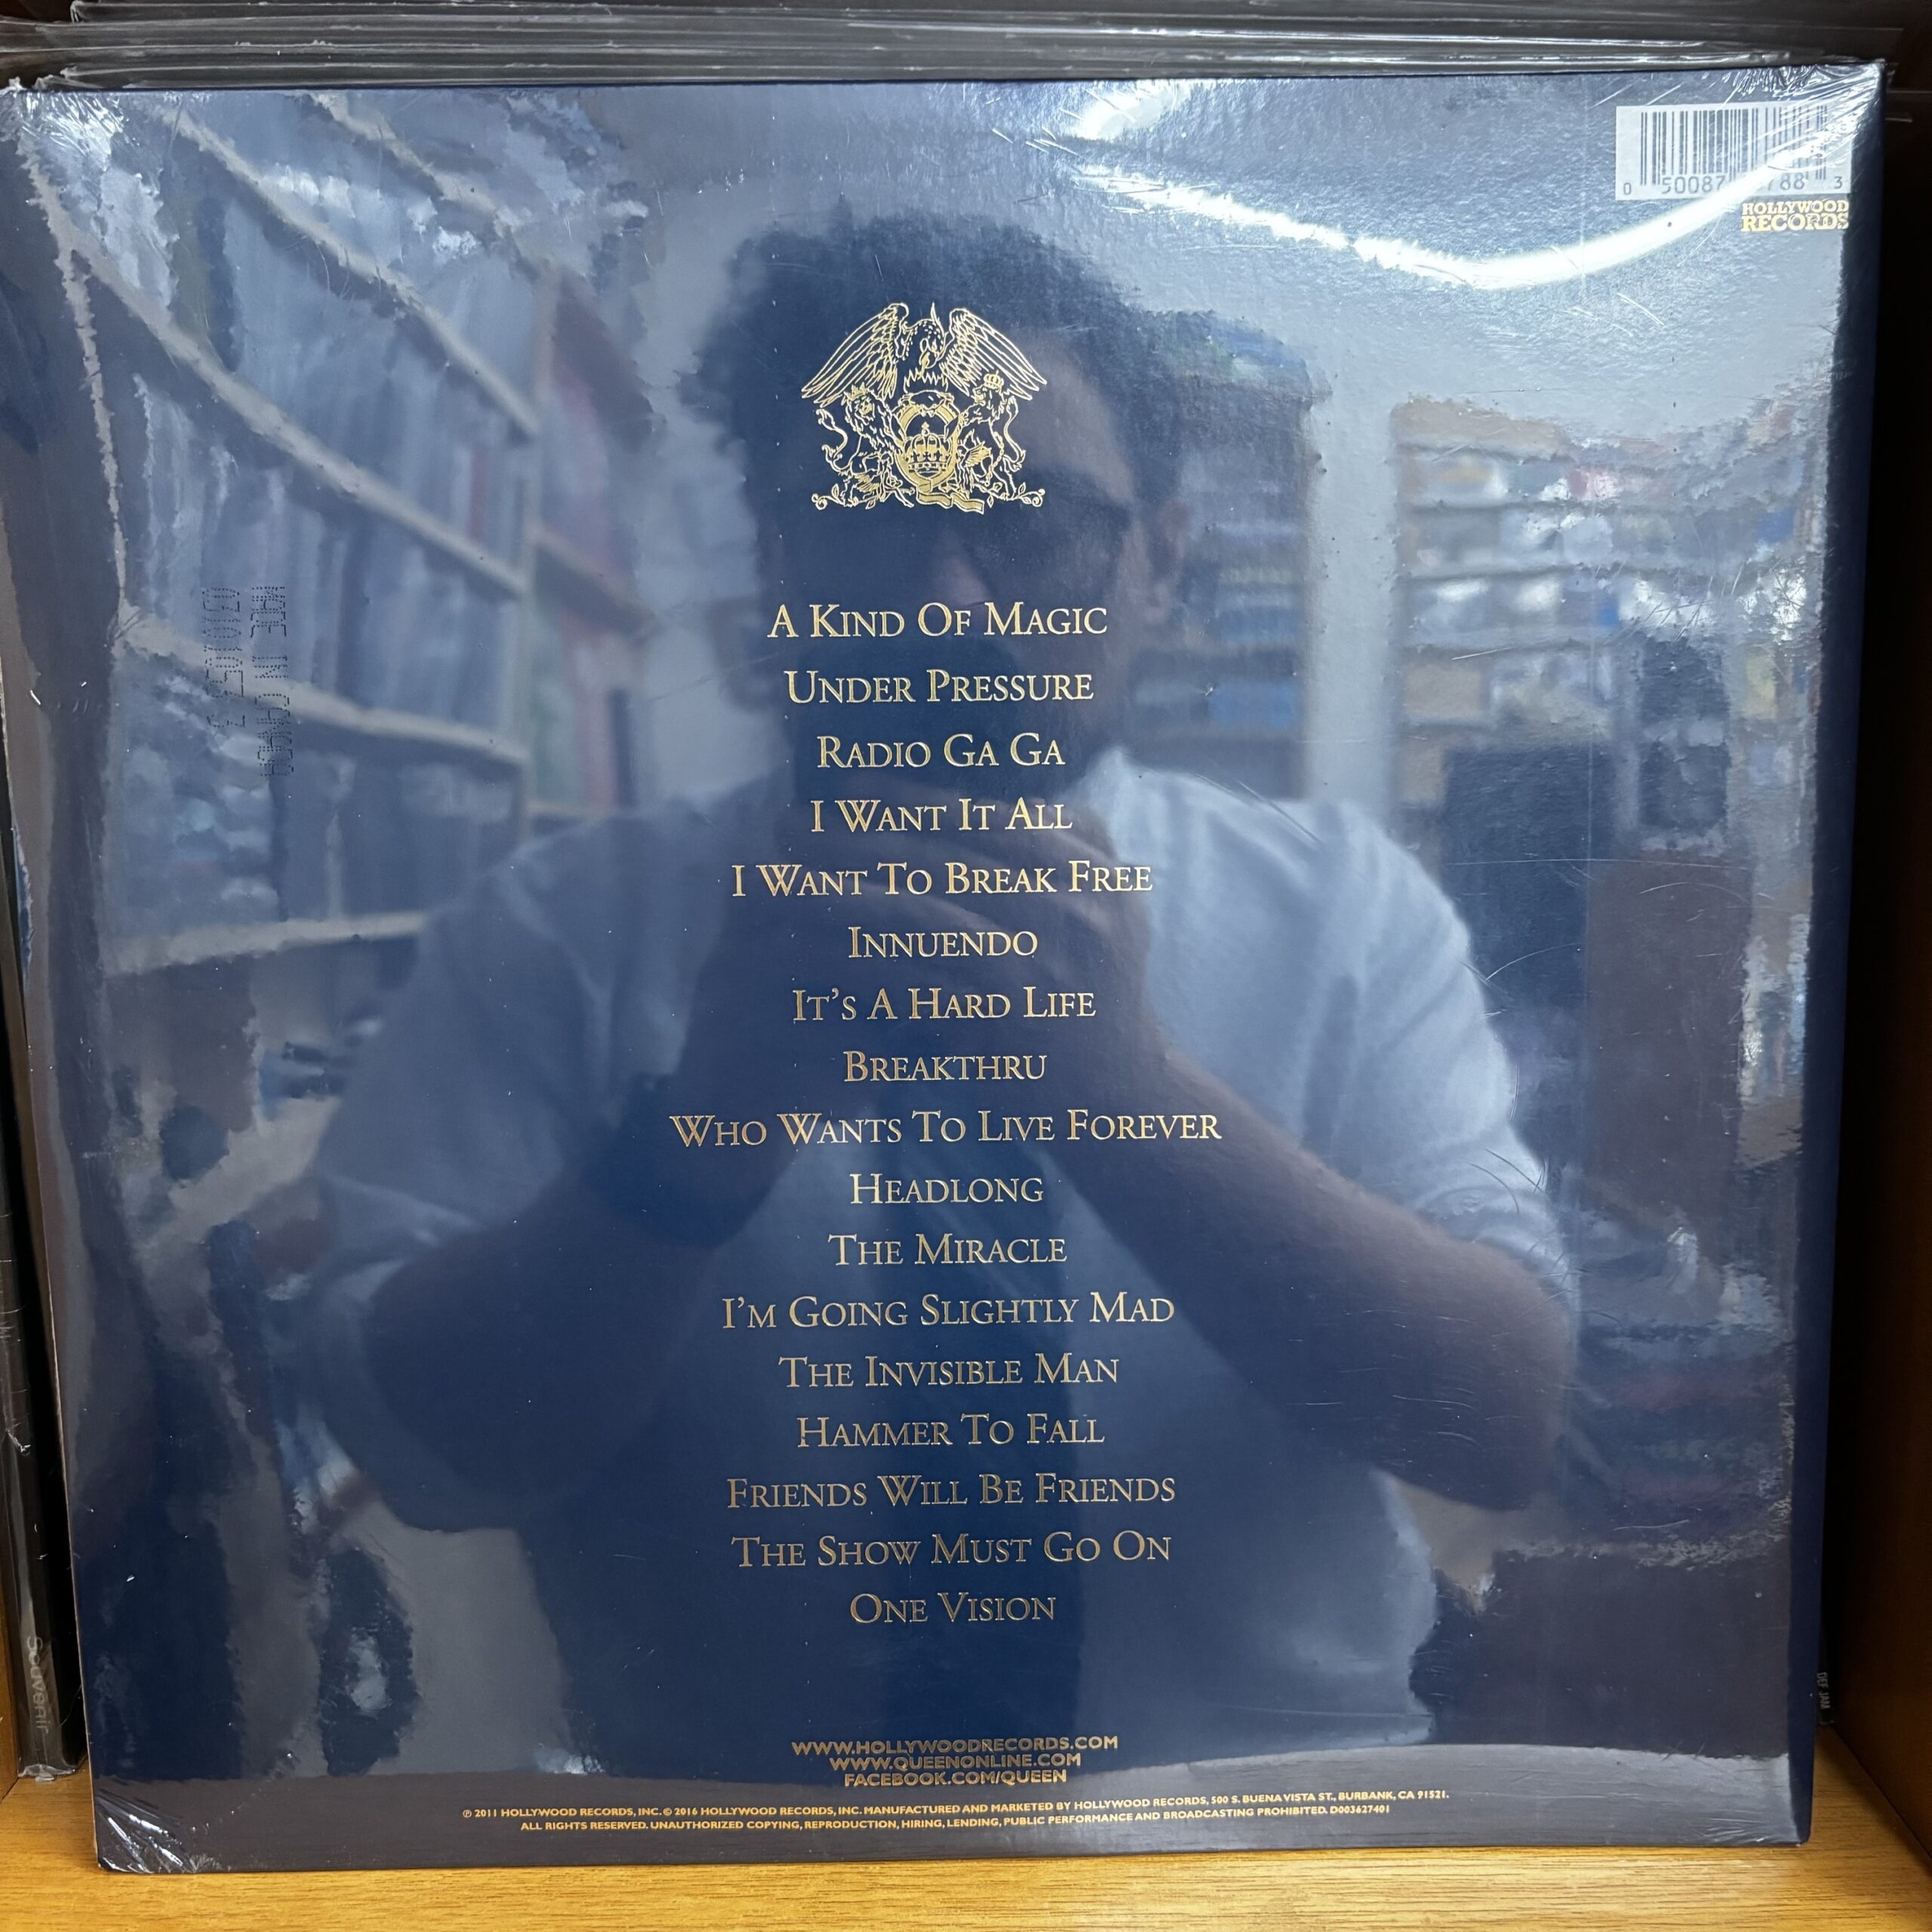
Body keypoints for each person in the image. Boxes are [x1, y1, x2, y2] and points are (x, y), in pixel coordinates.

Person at [305, 211, 1574, 1779]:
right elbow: (419, 1451)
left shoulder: (1342, 910)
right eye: (866, 522)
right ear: (777, 560)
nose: (946, 603)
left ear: (1161, 561)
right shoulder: (550, 931)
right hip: (746, 1856)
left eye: (1029, 525)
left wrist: (1125, 1096)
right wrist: (699, 1133)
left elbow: (1501, 1418)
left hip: (1264, 1837)